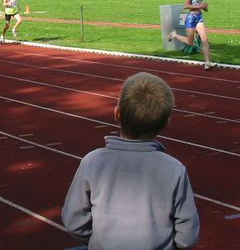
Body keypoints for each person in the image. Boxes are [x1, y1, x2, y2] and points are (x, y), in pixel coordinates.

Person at [61, 72, 200, 250]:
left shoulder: (93, 161)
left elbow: (74, 221)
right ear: (166, 122)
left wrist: (98, 241)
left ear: (117, 113)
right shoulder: (174, 169)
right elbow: (187, 235)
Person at [168, 0, 216, 70]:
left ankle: (207, 63)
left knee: (205, 39)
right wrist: (200, 6)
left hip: (199, 17)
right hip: (191, 18)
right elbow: (185, 6)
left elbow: (201, 5)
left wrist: (205, 7)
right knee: (190, 43)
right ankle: (174, 35)